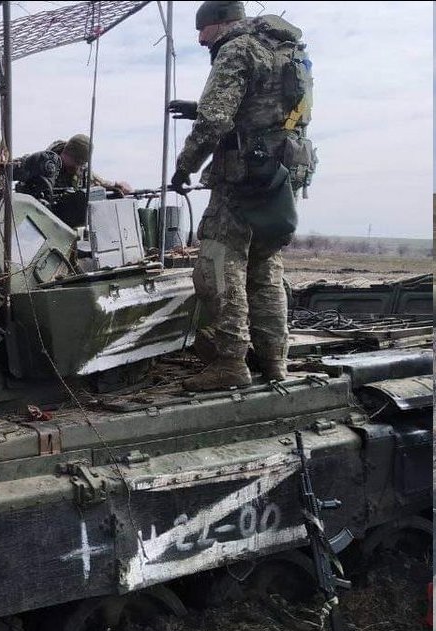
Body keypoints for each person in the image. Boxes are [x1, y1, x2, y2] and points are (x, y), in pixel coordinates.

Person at [169, 0, 315, 391]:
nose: (200, 40)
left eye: (202, 30)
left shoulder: (237, 48)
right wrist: (198, 108)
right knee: (265, 266)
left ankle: (230, 362)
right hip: (280, 174)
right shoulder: (287, 48)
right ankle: (274, 360)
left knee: (220, 262)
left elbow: (215, 119)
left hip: (243, 177)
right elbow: (266, 109)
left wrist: (185, 167)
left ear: (220, 23)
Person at [0, 134, 133, 202]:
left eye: (81, 165)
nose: (78, 168)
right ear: (66, 152)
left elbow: (98, 183)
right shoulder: (39, 163)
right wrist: (5, 199)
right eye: (76, 163)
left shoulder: (80, 171)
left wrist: (116, 186)